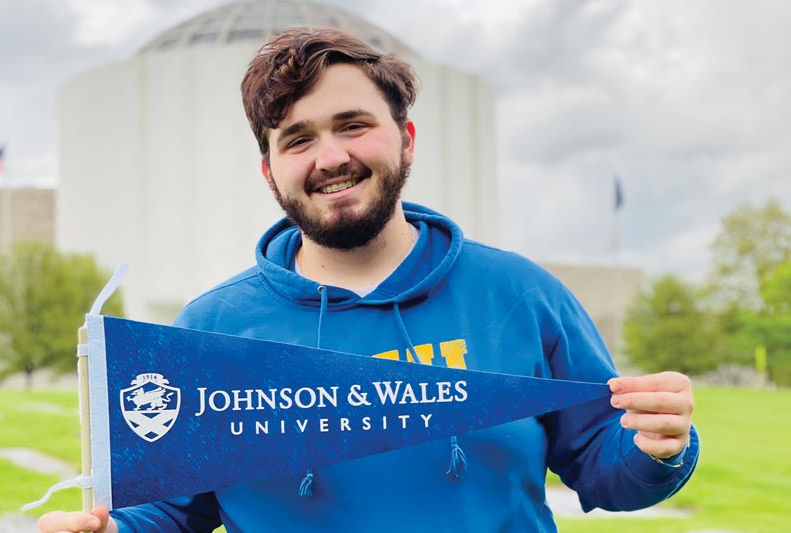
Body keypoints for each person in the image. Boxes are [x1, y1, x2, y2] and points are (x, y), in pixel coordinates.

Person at [38, 27, 698, 533]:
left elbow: (605, 467)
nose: (330, 157)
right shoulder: (213, 330)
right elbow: (173, 511)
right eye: (297, 139)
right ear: (269, 171)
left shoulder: (519, 295)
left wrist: (657, 446)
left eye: (353, 125)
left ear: (406, 139)